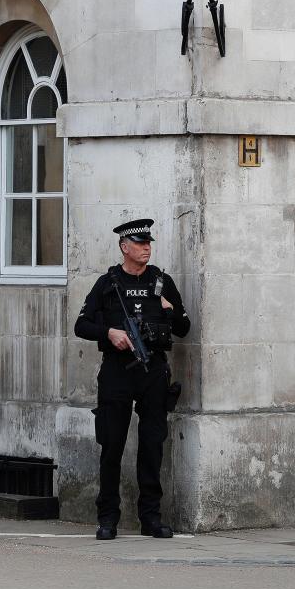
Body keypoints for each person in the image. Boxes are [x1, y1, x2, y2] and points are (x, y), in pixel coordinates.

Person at [74, 218, 190, 539]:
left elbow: (184, 327)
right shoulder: (108, 283)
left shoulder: (161, 281)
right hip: (116, 372)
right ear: (125, 247)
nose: (146, 248)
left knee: (152, 446)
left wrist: (168, 311)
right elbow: (81, 325)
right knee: (112, 445)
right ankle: (108, 517)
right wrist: (109, 332)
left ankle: (150, 518)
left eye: (149, 243)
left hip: (153, 371)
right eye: (140, 244)